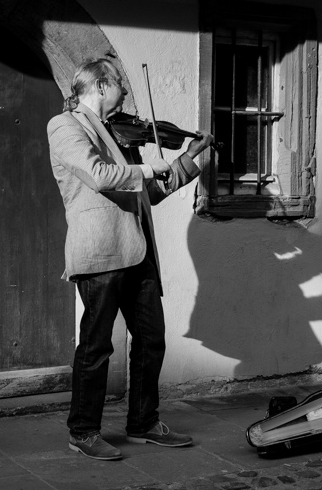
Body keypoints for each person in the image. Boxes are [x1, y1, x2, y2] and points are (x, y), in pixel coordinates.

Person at [47, 58, 213, 460]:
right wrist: (145, 166)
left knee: (152, 341)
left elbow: (146, 191)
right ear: (101, 86)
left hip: (137, 252)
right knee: (97, 346)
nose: (126, 95)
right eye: (121, 85)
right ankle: (83, 431)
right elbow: (98, 175)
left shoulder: (121, 134)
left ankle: (143, 423)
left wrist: (189, 161)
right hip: (101, 252)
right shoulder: (65, 125)